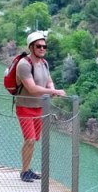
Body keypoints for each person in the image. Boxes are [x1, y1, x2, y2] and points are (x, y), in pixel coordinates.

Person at [16, 30, 66, 182]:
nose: (42, 49)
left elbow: (48, 79)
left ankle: (27, 169)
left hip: (39, 108)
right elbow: (31, 88)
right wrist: (52, 91)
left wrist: (52, 87)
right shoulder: (24, 65)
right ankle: (24, 171)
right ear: (31, 47)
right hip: (24, 107)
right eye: (39, 46)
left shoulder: (44, 63)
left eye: (45, 46)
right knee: (29, 139)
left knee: (34, 140)